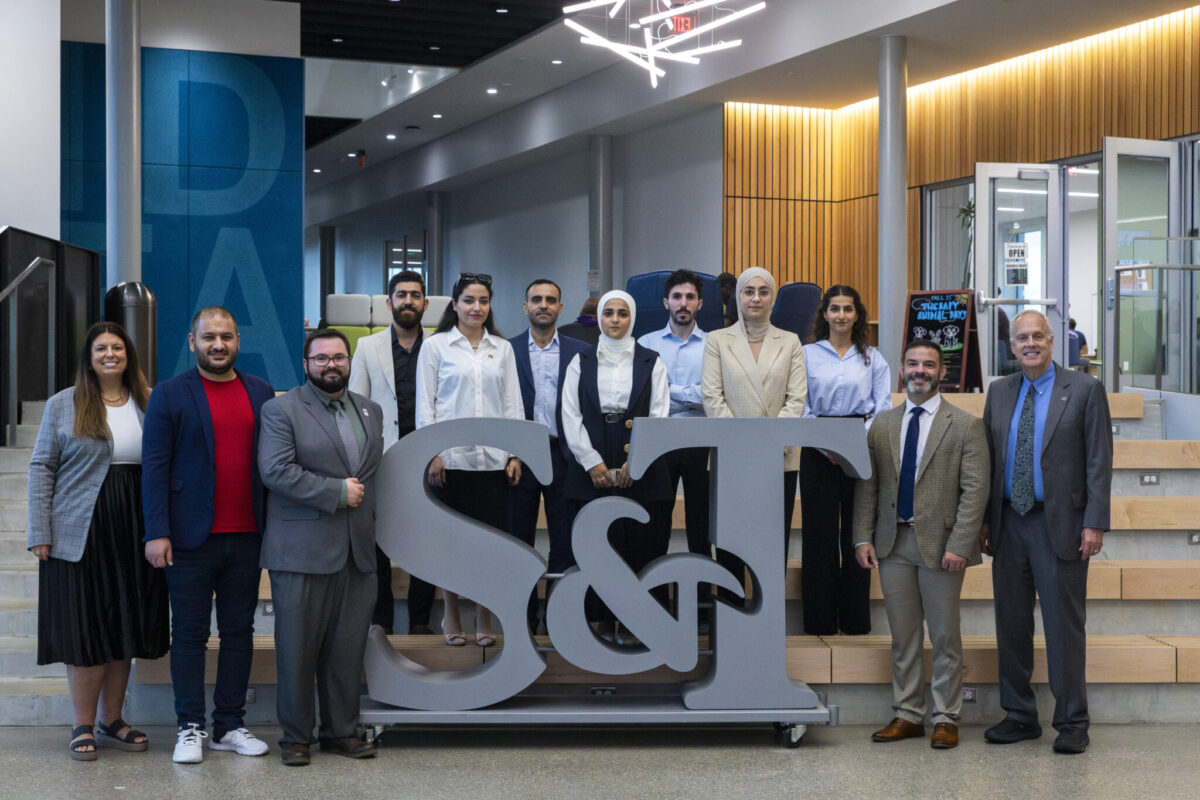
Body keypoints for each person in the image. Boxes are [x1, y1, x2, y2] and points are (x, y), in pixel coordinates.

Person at [27, 322, 167, 761]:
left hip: (136, 527)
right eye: (101, 348)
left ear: (129, 354)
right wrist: (39, 531)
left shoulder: (150, 399)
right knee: (86, 628)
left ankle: (113, 719)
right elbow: (41, 467)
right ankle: (82, 724)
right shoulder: (63, 403)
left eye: (118, 347)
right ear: (89, 356)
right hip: (79, 530)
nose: (110, 354)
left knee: (124, 623)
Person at [142, 307, 274, 764]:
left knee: (240, 632)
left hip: (249, 534)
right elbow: (155, 467)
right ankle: (189, 727)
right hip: (188, 537)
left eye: (226, 337)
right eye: (208, 337)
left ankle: (230, 725)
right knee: (191, 635)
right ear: (192, 341)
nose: (217, 345)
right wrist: (156, 531)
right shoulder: (169, 393)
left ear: (238, 340)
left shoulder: (260, 391)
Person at [980, 309, 1112, 755]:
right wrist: (983, 521)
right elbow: (988, 462)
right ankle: (1019, 716)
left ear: (1053, 342)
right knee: (1011, 624)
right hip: (1008, 523)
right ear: (1011, 345)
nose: (1030, 343)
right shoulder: (998, 392)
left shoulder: (1085, 389)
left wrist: (1094, 522)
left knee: (1063, 628)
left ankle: (1072, 721)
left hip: (1062, 525)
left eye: (1038, 336)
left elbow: (1098, 461)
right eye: (1021, 338)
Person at [853, 339, 990, 750]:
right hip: (893, 543)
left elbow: (975, 490)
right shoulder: (882, 424)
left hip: (943, 547)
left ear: (940, 372)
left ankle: (946, 717)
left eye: (928, 365)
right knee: (903, 635)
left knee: (946, 636)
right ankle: (908, 714)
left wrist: (961, 544)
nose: (920, 371)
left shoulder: (965, 425)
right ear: (901, 369)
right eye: (913, 363)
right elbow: (868, 488)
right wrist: (862, 535)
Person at [258, 329, 385, 766]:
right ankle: (296, 737)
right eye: (321, 359)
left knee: (347, 649)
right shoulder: (281, 409)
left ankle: (341, 732)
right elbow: (275, 470)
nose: (331, 365)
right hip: (302, 549)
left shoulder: (371, 411)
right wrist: (333, 492)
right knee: (297, 649)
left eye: (338, 357)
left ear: (349, 361)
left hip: (358, 549)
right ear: (306, 363)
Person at [416, 273, 524, 647]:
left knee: (490, 544)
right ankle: (451, 613)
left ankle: (484, 614)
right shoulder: (436, 347)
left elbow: (512, 404)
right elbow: (425, 405)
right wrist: (432, 454)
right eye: (468, 300)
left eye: (483, 301)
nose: (476, 308)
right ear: (455, 304)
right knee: (451, 543)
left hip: (493, 462)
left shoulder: (502, 348)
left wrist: (513, 453)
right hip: (451, 461)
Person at [561, 289, 672, 641]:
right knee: (598, 549)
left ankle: (637, 624)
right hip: (591, 456)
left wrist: (636, 462)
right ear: (600, 319)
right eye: (608, 313)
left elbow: (660, 415)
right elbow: (569, 415)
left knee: (642, 547)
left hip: (641, 462)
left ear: (632, 318)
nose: (615, 320)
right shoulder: (581, 360)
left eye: (622, 313)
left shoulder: (652, 361)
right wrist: (591, 462)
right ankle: (600, 626)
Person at [702, 267, 807, 602]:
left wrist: (770, 444)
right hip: (731, 457)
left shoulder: (790, 341)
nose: (756, 298)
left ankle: (768, 629)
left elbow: (796, 400)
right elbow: (712, 398)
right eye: (749, 291)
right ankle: (731, 625)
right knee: (730, 545)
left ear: (772, 298)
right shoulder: (716, 340)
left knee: (771, 547)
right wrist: (744, 445)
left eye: (764, 291)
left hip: (779, 459)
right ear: (737, 297)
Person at [347, 269, 435, 635]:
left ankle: (418, 622)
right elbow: (356, 404)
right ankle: (380, 620)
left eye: (415, 295)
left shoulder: (439, 345)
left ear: (425, 304)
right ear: (389, 302)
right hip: (382, 460)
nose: (408, 301)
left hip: (430, 461)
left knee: (427, 542)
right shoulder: (368, 347)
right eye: (401, 295)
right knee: (378, 544)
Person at [800, 284, 891, 635]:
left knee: (857, 532)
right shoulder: (806, 355)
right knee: (818, 535)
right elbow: (800, 405)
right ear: (824, 314)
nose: (841, 315)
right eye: (834, 308)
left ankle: (854, 620)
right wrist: (828, 447)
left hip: (861, 446)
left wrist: (851, 445)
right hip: (816, 449)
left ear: (857, 314)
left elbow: (882, 408)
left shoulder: (873, 358)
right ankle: (819, 620)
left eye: (847, 309)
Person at [507, 279, 591, 632]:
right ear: (525, 307)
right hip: (519, 457)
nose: (544, 305)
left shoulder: (580, 350)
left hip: (564, 455)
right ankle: (522, 622)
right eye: (536, 299)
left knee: (565, 543)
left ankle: (558, 623)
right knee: (518, 543)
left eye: (551, 300)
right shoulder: (505, 350)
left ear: (560, 308)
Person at [637, 269, 712, 630]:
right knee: (656, 528)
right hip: (659, 443)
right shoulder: (647, 343)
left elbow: (712, 397)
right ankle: (654, 607)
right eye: (677, 297)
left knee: (701, 528)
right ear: (666, 301)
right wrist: (689, 395)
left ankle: (701, 610)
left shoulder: (715, 345)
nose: (683, 303)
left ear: (700, 303)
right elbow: (647, 395)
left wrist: (670, 391)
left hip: (701, 443)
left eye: (690, 297)